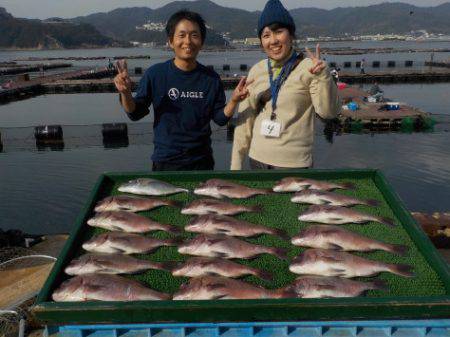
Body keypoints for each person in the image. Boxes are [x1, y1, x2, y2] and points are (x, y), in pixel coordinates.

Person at [114, 10, 251, 171]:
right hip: (165, 160)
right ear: (171, 41)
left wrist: (234, 100)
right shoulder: (155, 74)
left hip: (202, 161)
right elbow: (135, 112)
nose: (188, 41)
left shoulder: (211, 79)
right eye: (182, 35)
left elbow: (220, 118)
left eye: (194, 35)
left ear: (201, 41)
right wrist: (125, 93)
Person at [230, 0, 340, 170]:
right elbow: (245, 122)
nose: (273, 40)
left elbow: (328, 113)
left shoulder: (309, 68)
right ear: (261, 41)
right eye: (266, 35)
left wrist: (324, 77)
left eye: (279, 32)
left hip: (294, 165)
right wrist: (235, 168)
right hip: (257, 160)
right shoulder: (256, 70)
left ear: (291, 35)